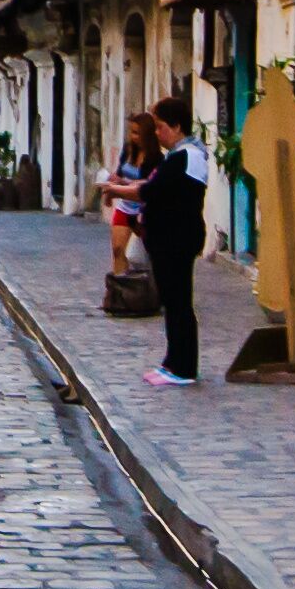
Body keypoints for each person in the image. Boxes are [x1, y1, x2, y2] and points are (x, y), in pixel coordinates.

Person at [104, 94, 212, 386]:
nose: (158, 134)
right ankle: (172, 360)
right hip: (167, 238)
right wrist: (123, 185)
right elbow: (151, 185)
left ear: (176, 126)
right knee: (171, 299)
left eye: (161, 127)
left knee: (179, 302)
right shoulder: (177, 156)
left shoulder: (187, 156)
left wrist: (115, 189)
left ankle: (183, 368)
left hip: (178, 237)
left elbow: (151, 192)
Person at [104, 110, 157, 276]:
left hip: (142, 210)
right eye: (132, 132)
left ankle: (141, 286)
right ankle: (120, 287)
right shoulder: (128, 151)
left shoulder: (156, 158)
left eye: (137, 133)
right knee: (118, 249)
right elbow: (120, 172)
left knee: (143, 256)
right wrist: (113, 183)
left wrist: (123, 184)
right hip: (124, 205)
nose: (133, 137)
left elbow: (149, 185)